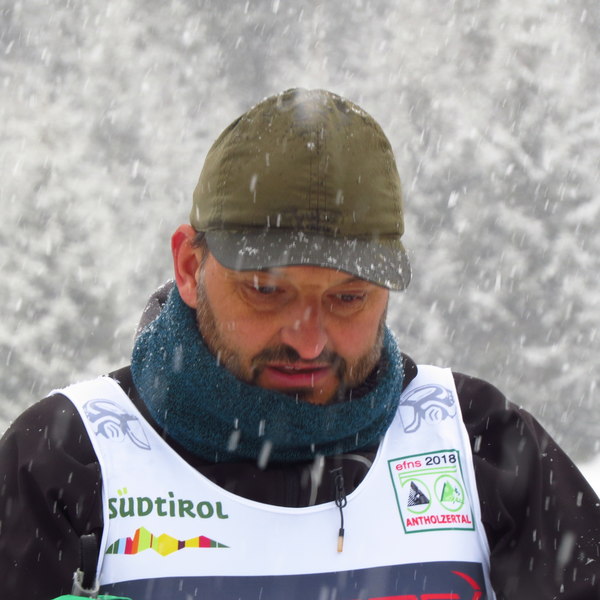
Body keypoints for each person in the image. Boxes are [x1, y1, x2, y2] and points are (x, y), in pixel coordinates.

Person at [0, 88, 599, 600]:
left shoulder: (476, 442)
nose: (309, 343)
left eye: (348, 298)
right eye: (266, 291)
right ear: (189, 266)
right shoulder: (67, 458)